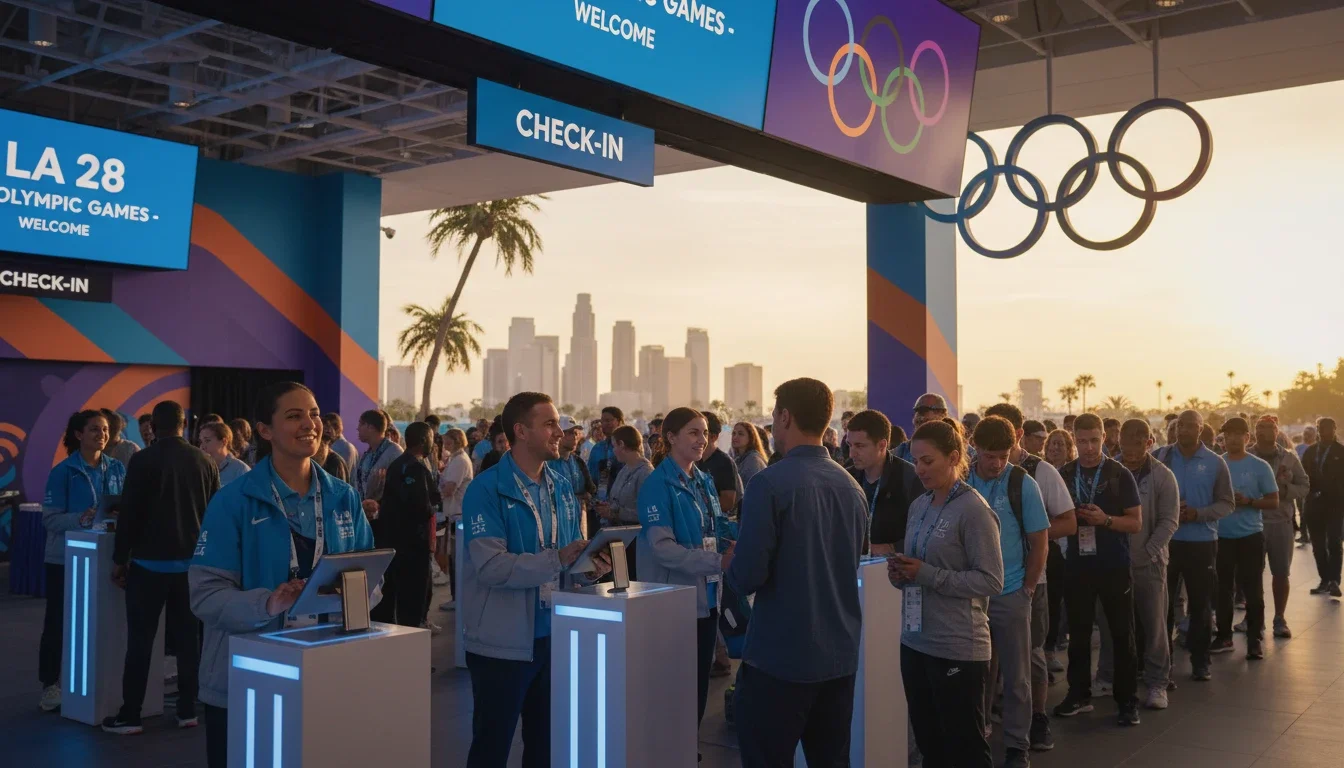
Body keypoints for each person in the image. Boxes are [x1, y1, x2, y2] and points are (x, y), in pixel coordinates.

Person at [190, 383, 374, 767]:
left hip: (326, 671)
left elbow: (372, 580)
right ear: (265, 430)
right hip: (249, 679)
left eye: (314, 414)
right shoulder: (233, 500)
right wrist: (269, 602)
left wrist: (351, 595)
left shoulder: (343, 496)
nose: (310, 424)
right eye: (294, 416)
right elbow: (205, 595)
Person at [726, 379, 867, 767]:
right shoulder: (851, 486)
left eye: (774, 415)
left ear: (785, 416)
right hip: (839, 656)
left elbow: (748, 575)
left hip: (779, 658)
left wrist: (730, 567)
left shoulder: (767, 484)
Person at [460, 392, 607, 768]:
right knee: (491, 747)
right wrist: (556, 559)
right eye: (550, 424)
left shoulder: (561, 487)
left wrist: (589, 566)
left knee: (545, 747)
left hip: (555, 637)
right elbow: (491, 566)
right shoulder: (486, 489)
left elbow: (567, 559)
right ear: (521, 431)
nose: (561, 432)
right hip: (502, 644)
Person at [889, 419, 1003, 768]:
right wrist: (901, 574)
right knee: (929, 744)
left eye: (928, 461)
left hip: (958, 646)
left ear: (954, 457)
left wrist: (928, 575)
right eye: (916, 460)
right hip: (915, 640)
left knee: (966, 748)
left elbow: (991, 581)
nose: (919, 469)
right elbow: (918, 568)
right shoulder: (919, 505)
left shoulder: (973, 510)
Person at [102, 400, 218, 734]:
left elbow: (130, 514)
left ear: (155, 425)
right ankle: (187, 710)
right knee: (187, 642)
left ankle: (131, 714)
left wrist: (119, 559)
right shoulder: (205, 461)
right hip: (191, 568)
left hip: (148, 565)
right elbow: (213, 514)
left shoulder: (142, 460)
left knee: (140, 640)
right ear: (184, 425)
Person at [984, 403, 1077, 752]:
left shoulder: (1039, 473)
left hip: (1029, 583)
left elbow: (1069, 522)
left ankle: (1036, 719)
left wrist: (1031, 536)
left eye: (1005, 435)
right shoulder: (970, 473)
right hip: (985, 585)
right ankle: (989, 718)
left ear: (1018, 434)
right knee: (986, 658)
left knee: (1030, 655)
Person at [637, 407, 731, 733]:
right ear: (671, 437)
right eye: (693, 432)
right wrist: (718, 561)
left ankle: (688, 748)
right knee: (673, 688)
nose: (702, 440)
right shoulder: (656, 485)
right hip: (674, 603)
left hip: (708, 597)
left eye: (704, 433)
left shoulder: (704, 481)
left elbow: (717, 531)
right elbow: (663, 550)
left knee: (698, 688)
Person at [966, 416, 1049, 768]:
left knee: (1016, 677)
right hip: (970, 594)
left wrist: (1028, 588)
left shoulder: (1022, 484)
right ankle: (976, 733)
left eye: (1003, 455)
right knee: (974, 673)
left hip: (1011, 591)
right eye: (990, 456)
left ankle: (1018, 745)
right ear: (975, 449)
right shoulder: (961, 482)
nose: (997, 463)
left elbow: (1039, 540)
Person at [1053, 413, 1144, 726]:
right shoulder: (1064, 474)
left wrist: (1104, 520)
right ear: (1074, 439)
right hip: (1077, 565)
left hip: (1114, 566)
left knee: (1121, 635)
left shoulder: (1119, 474)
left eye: (1094, 440)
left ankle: (1127, 701)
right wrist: (1071, 522)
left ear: (1105, 438)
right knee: (1077, 636)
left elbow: (1135, 522)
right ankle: (1078, 694)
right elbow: (1051, 520)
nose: (1088, 447)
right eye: (1082, 441)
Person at [37, 410, 127, 713]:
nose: (102, 434)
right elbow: (50, 520)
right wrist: (82, 518)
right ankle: (50, 684)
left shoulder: (116, 468)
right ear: (78, 435)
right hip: (64, 559)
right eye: (94, 430)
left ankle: (94, 681)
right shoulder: (63, 472)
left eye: (104, 430)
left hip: (104, 557)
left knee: (102, 622)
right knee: (58, 623)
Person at [1096, 419, 1179, 711]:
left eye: (1137, 442)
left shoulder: (1162, 476)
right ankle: (1107, 676)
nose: (1130, 449)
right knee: (1109, 625)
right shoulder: (1108, 472)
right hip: (1112, 563)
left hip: (1150, 564)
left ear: (1149, 442)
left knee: (1154, 625)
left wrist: (1149, 550)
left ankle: (1157, 682)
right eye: (1126, 442)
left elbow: (1170, 520)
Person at [1154, 410, 1234, 682]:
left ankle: (1201, 661)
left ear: (1201, 429)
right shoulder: (1161, 457)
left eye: (1189, 426)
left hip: (1201, 544)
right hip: (1167, 542)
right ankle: (1162, 664)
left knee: (1200, 605)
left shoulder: (1215, 463)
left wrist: (1197, 513)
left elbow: (1227, 503)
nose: (1182, 430)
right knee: (1162, 604)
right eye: (1179, 426)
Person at [1208, 417, 1279, 660]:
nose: (1232, 439)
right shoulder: (1217, 465)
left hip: (1250, 536)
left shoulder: (1259, 466)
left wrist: (1248, 501)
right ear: (1223, 439)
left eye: (1238, 434)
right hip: (1222, 537)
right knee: (1223, 590)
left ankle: (1254, 639)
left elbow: (1273, 500)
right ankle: (1224, 636)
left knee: (1253, 590)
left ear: (1247, 438)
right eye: (1228, 435)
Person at [370, 422, 439, 627]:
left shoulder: (396, 464)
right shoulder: (416, 469)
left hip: (392, 542)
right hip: (414, 545)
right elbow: (423, 507)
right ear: (424, 441)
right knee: (414, 596)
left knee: (392, 592)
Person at [1251, 416, 1309, 637]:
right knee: (1251, 574)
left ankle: (1279, 618)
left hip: (1280, 522)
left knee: (1281, 572)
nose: (1263, 431)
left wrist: (1284, 493)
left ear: (1277, 432)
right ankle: (1252, 618)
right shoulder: (1246, 457)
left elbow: (1304, 486)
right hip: (1251, 522)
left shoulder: (1289, 458)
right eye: (1259, 427)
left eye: (1268, 427)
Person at [844, 409, 922, 556]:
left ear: (882, 445)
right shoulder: (846, 477)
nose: (852, 453)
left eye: (860, 446)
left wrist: (892, 548)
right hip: (854, 565)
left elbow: (923, 533)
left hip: (895, 569)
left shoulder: (910, 478)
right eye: (850, 445)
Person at [1304, 418, 1344, 597]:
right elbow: (1302, 476)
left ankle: (1335, 580)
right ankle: (1325, 579)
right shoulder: (1311, 452)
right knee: (1318, 545)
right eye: (1321, 427)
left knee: (1334, 542)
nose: (1324, 431)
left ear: (1335, 429)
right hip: (1314, 504)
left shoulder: (1341, 451)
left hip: (1335, 504)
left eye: (1328, 427)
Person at [438, 428, 473, 610]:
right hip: (453, 516)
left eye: (449, 441)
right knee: (453, 560)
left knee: (457, 561)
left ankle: (458, 598)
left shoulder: (460, 461)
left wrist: (437, 495)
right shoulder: (454, 459)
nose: (446, 445)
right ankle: (456, 597)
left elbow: (449, 488)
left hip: (458, 518)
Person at [354, 409, 403, 521]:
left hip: (385, 519)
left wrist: (378, 501)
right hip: (366, 516)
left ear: (371, 427)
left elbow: (400, 488)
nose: (358, 428)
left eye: (361, 424)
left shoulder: (394, 452)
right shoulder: (368, 454)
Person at [550, 416, 596, 534]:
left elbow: (590, 490)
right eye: (570, 433)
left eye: (576, 433)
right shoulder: (547, 463)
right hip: (556, 526)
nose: (575, 437)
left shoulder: (578, 462)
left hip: (579, 524)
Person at [600, 425, 652, 527]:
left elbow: (649, 513)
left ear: (622, 444)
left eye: (614, 446)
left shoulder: (646, 473)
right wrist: (609, 507)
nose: (614, 450)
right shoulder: (625, 469)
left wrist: (615, 513)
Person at [698, 411, 742, 515]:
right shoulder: (694, 460)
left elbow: (727, 503)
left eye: (703, 433)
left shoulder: (724, 463)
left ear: (714, 437)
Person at [895, 393, 950, 463]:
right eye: (916, 412)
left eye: (924, 411)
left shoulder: (958, 447)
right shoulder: (904, 449)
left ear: (941, 413)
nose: (919, 417)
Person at [587, 406, 625, 502]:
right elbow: (590, 478)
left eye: (608, 421)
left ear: (619, 422)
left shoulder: (629, 447)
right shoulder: (597, 449)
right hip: (601, 505)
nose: (604, 424)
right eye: (602, 421)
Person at [198, 421, 251, 486]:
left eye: (207, 440)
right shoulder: (201, 469)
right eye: (201, 441)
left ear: (224, 441)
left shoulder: (240, 470)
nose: (202, 447)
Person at [731, 420, 769, 491]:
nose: (735, 437)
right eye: (734, 433)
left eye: (740, 434)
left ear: (751, 437)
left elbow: (753, 489)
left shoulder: (753, 460)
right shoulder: (738, 459)